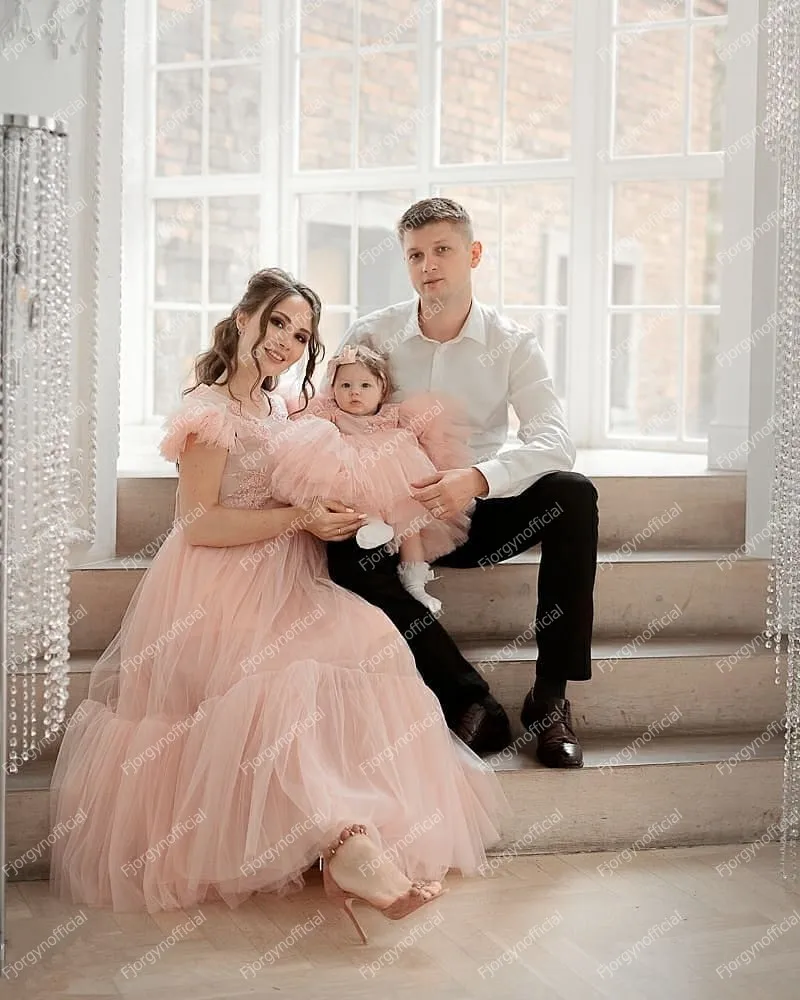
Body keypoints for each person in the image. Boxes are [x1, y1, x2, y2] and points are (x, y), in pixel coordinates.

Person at [49, 268, 508, 935]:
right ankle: (348, 850)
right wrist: (298, 519)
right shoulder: (209, 413)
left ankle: (365, 837)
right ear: (244, 318)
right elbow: (200, 522)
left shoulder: (285, 408)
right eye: (279, 323)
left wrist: (332, 510)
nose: (289, 342)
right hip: (217, 585)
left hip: (290, 576)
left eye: (302, 333)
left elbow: (323, 471)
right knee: (283, 681)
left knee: (376, 642)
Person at [327, 198, 599, 768]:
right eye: (416, 254)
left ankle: (550, 699)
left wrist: (478, 478)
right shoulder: (371, 334)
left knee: (574, 494)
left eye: (443, 250)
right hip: (394, 519)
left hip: (476, 517)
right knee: (344, 550)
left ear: (473, 254)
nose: (429, 265)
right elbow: (330, 416)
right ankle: (470, 700)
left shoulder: (513, 341)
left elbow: (554, 438)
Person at [266, 342, 473, 613]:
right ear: (333, 389)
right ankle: (370, 523)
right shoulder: (329, 415)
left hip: (393, 477)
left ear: (382, 389)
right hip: (353, 475)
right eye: (345, 386)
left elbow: (427, 433)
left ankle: (415, 581)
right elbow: (301, 429)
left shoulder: (393, 415)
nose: (355, 393)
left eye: (365, 386)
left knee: (410, 521)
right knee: (347, 491)